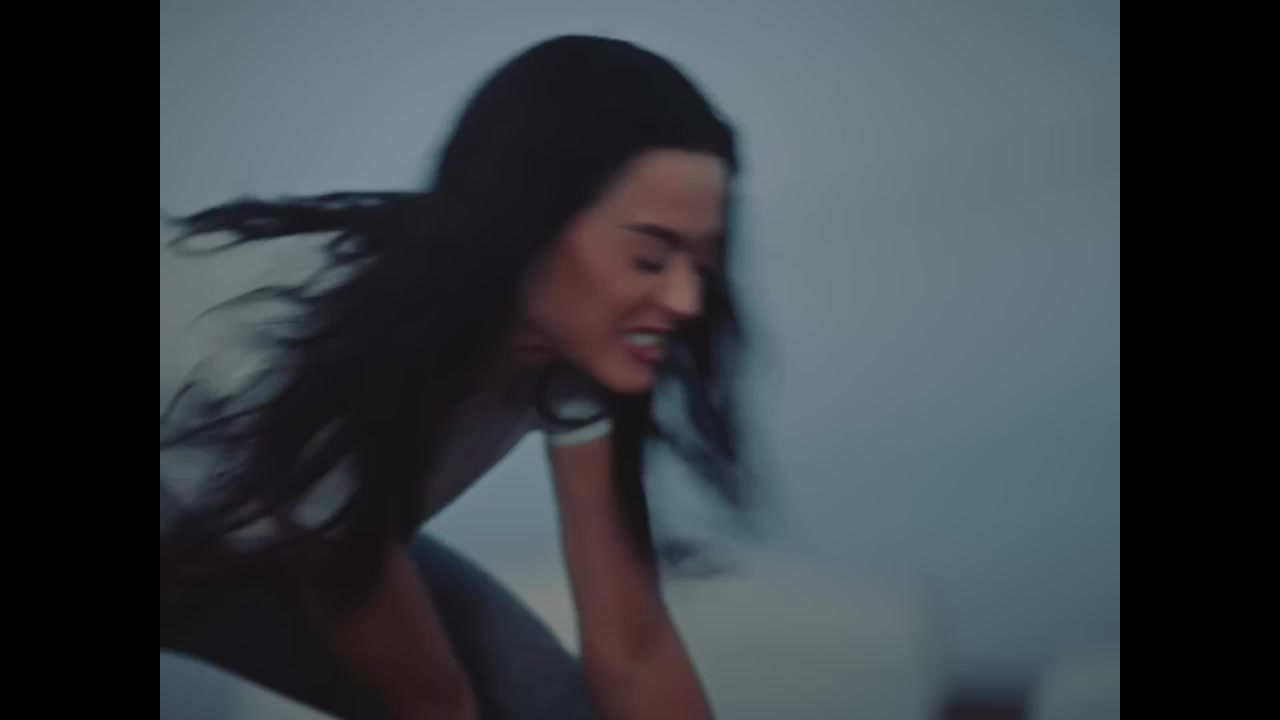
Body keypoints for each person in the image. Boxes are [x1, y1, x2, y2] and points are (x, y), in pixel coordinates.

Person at [160, 34, 754, 720]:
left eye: (701, 263)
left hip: (256, 547)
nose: (686, 300)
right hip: (252, 525)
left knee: (543, 701)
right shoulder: (321, 340)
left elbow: (634, 650)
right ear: (532, 222)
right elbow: (433, 701)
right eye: (650, 259)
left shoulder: (584, 351)